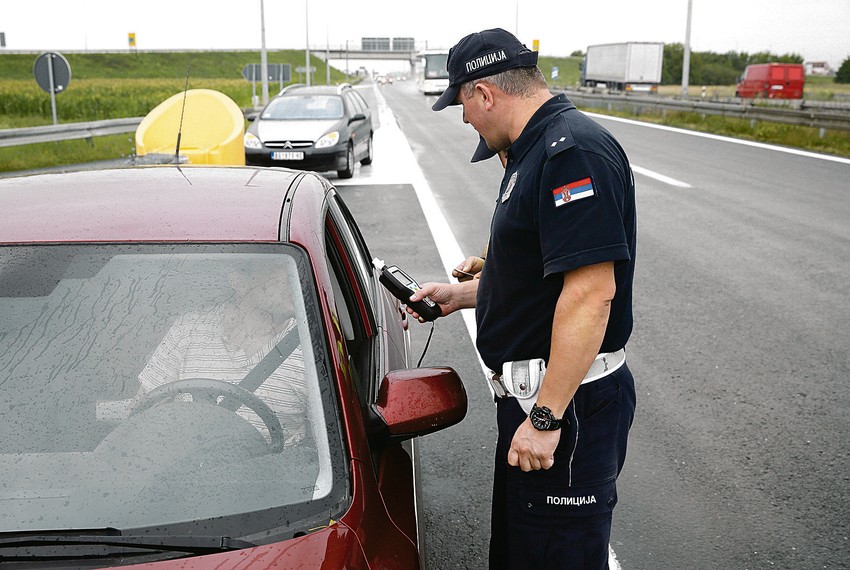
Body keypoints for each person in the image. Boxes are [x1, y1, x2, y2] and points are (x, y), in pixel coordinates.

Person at [409, 28, 637, 569]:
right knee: (522, 553)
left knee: (556, 556)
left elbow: (589, 295)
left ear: (483, 93)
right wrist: (461, 296)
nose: (465, 120)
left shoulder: (569, 152)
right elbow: (540, 277)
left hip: (567, 404)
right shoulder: (531, 150)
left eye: (462, 104)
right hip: (537, 402)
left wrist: (546, 420)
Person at [135, 269, 308, 449]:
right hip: (187, 471)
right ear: (239, 280)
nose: (298, 279)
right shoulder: (189, 329)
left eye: (298, 270)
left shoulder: (312, 348)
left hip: (271, 474)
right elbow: (140, 420)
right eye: (284, 271)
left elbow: (330, 445)